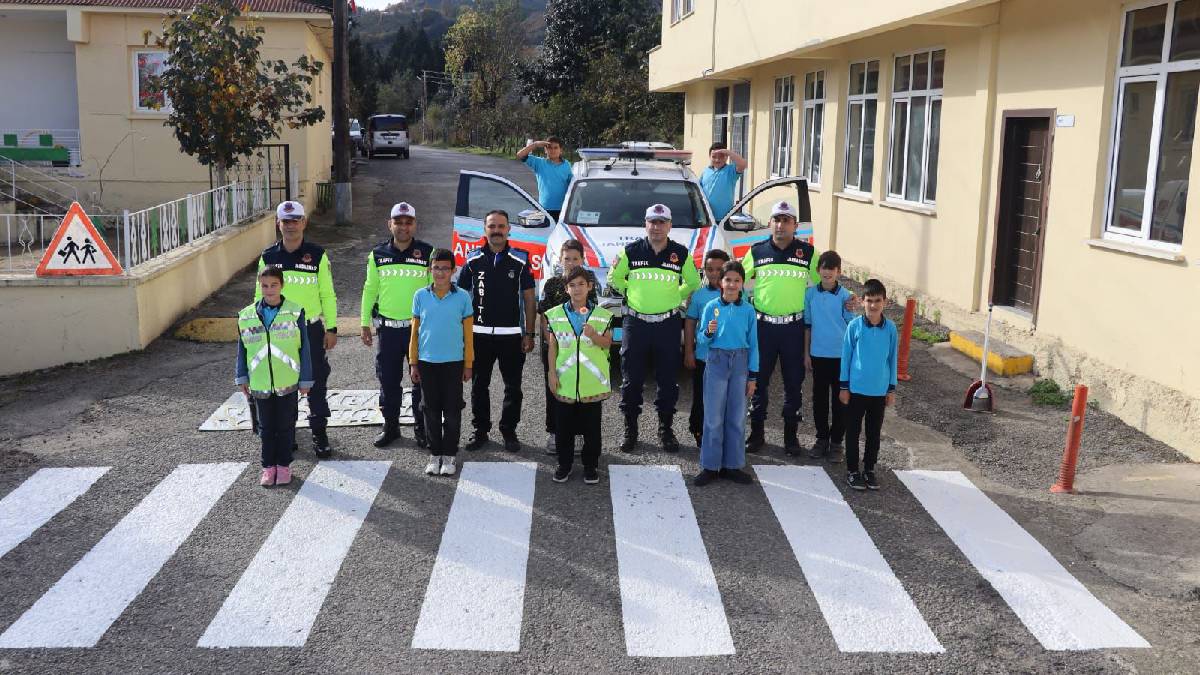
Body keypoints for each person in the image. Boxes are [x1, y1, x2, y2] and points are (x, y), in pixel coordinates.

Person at [743, 200, 854, 455]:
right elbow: (736, 278)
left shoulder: (807, 253)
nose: (781, 225)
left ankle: (791, 437)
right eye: (777, 220)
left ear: (795, 225)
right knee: (758, 382)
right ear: (771, 223)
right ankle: (757, 433)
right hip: (764, 328)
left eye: (786, 220)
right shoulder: (757, 251)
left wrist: (849, 298)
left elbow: (826, 283)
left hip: (793, 329)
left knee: (794, 384)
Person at [608, 203, 701, 453]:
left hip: (667, 324)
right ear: (645, 224)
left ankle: (666, 429)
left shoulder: (680, 253)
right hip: (635, 324)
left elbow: (693, 281)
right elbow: (613, 278)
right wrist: (632, 291)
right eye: (652, 222)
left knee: (668, 380)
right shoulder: (631, 251)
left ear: (669, 226)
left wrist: (675, 295)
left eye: (662, 222)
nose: (657, 227)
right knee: (631, 379)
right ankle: (630, 430)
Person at [257, 200, 338, 458]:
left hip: (311, 330)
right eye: (286, 221)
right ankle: (288, 434)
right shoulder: (268, 256)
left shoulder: (317, 254)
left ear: (304, 222)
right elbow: (258, 296)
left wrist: (332, 327)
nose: (291, 225)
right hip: (280, 332)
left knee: (315, 383)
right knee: (285, 385)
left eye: (296, 220)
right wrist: (259, 330)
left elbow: (327, 294)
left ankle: (319, 434)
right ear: (278, 224)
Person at [458, 210, 537, 452]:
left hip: (511, 336)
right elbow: (459, 298)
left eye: (501, 226)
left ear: (508, 229)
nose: (497, 230)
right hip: (479, 336)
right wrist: (461, 335)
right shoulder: (472, 260)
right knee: (479, 385)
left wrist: (529, 333)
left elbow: (529, 299)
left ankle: (509, 430)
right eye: (492, 226)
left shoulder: (521, 259)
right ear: (485, 230)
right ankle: (480, 430)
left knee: (513, 386)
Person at [360, 202, 432, 449]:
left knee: (421, 382)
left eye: (408, 222)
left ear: (415, 225)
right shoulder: (377, 254)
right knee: (388, 381)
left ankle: (422, 428)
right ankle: (390, 427)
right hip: (388, 330)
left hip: (419, 330)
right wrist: (364, 324)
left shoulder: (427, 253)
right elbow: (370, 290)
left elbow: (435, 292)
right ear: (389, 224)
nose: (403, 227)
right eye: (398, 222)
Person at [235, 267, 313, 487]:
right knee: (265, 428)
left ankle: (284, 466)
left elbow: (304, 348)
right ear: (260, 286)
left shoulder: (295, 312)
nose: (269, 290)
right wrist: (242, 376)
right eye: (265, 286)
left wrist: (305, 379)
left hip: (287, 381)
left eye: (274, 285)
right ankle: (268, 467)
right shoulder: (246, 315)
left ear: (282, 285)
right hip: (260, 383)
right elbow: (242, 349)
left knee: (286, 426)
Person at [545, 267, 613, 485]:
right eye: (572, 285)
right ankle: (564, 464)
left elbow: (608, 344)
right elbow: (553, 347)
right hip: (565, 381)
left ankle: (590, 466)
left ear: (590, 287)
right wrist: (551, 373)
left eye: (581, 284)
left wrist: (594, 335)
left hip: (591, 384)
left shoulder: (602, 316)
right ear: (566, 288)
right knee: (563, 427)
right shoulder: (555, 314)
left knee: (592, 428)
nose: (577, 289)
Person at [410, 249, 475, 477]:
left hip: (454, 363)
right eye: (436, 267)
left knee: (453, 409)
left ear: (453, 271)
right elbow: (415, 333)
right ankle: (434, 454)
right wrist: (413, 362)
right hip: (427, 363)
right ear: (430, 269)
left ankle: (449, 455)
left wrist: (468, 363)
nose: (440, 273)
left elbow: (468, 335)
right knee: (430, 410)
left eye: (445, 268)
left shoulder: (463, 297)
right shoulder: (420, 296)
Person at [693, 261, 758, 486]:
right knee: (713, 417)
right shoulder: (711, 306)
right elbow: (701, 338)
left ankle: (733, 465)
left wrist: (753, 376)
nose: (731, 284)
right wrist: (708, 333)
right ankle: (711, 466)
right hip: (717, 361)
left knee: (737, 416)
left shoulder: (748, 310)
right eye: (727, 280)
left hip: (740, 362)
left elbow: (754, 344)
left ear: (742, 284)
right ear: (721, 282)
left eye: (736, 280)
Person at [537, 239, 598, 454]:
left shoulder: (588, 283)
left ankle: (578, 433)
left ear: (583, 260)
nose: (571, 263)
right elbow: (544, 317)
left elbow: (593, 316)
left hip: (581, 349)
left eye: (575, 259)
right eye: (567, 259)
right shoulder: (552, 284)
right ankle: (554, 432)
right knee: (554, 388)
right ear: (560, 260)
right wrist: (551, 341)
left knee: (580, 388)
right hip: (554, 347)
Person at [839, 279, 898, 492]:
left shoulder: (890, 329)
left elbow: (893, 359)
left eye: (878, 301)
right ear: (862, 301)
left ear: (885, 302)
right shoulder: (854, 326)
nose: (873, 305)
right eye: (869, 301)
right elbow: (846, 357)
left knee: (873, 433)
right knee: (853, 432)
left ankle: (869, 469)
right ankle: (853, 471)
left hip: (879, 391)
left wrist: (891, 389)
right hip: (855, 391)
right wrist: (844, 387)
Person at [804, 250, 857, 462]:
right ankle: (821, 438)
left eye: (831, 271)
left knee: (841, 400)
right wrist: (805, 353)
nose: (827, 275)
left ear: (838, 272)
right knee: (819, 400)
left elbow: (851, 325)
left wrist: (852, 306)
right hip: (818, 354)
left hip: (840, 356)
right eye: (824, 271)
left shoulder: (846, 296)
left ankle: (837, 443)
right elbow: (807, 325)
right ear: (818, 271)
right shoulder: (810, 294)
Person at [683, 249, 729, 447]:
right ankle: (699, 430)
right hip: (704, 356)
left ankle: (724, 431)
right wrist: (689, 351)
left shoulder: (737, 293)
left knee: (727, 396)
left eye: (719, 269)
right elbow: (691, 323)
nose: (714, 273)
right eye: (709, 269)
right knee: (702, 395)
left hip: (730, 356)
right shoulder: (699, 296)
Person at [516, 136, 572, 222]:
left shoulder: (567, 165)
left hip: (564, 208)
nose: (552, 150)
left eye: (555, 148)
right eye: (549, 148)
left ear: (561, 150)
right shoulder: (539, 163)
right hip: (544, 209)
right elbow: (520, 155)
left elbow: (571, 184)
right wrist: (535, 144)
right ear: (545, 150)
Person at [699, 142, 747, 222]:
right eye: (714, 157)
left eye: (721, 157)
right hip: (705, 218)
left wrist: (727, 152)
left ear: (726, 157)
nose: (717, 160)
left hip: (723, 219)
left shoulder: (730, 171)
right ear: (709, 157)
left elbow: (743, 164)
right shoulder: (706, 171)